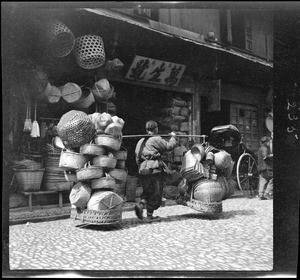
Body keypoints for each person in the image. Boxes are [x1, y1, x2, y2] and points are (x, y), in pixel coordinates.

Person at [134, 120, 178, 221]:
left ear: (146, 129)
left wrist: (142, 166)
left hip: (143, 169)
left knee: (147, 191)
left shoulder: (140, 141)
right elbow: (169, 146)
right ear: (156, 129)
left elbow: (137, 158)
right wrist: (173, 137)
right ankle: (149, 215)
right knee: (156, 193)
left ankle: (140, 205)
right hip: (154, 169)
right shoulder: (155, 139)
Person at [257, 136, 273, 200]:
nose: (270, 143)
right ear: (266, 142)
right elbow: (265, 157)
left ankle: (261, 195)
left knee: (263, 180)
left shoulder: (260, 148)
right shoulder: (265, 149)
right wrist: (272, 155)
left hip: (260, 168)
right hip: (266, 167)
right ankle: (267, 193)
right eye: (269, 142)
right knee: (272, 179)